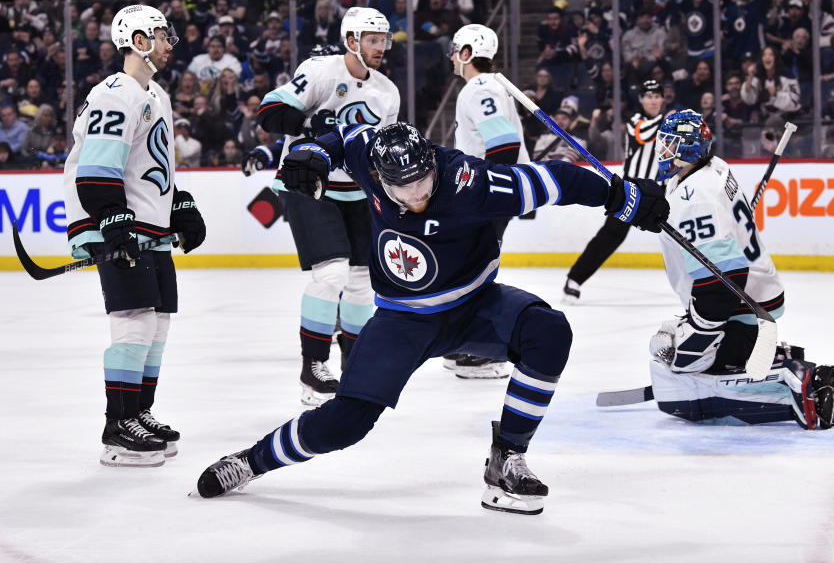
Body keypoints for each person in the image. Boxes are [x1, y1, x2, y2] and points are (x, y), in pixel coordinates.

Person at [194, 120, 669, 513]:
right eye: (402, 186)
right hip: (402, 321)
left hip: (474, 308)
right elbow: (343, 136)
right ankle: (250, 461)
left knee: (548, 331)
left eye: (423, 180)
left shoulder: (472, 183)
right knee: (346, 423)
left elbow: (559, 180)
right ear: (378, 177)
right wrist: (315, 152)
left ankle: (508, 459)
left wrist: (623, 198)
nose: (417, 194)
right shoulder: (371, 156)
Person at [62, 5, 207, 467]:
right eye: (164, 36)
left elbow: (152, 164)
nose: (170, 44)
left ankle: (139, 413)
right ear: (139, 40)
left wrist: (178, 204)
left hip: (148, 224)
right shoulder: (114, 92)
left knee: (158, 322)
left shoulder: (155, 94)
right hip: (118, 223)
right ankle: (117, 426)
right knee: (134, 321)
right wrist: (111, 218)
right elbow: (95, 170)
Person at [646, 109, 834, 429]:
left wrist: (699, 331)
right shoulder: (714, 167)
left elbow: (723, 280)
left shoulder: (695, 196)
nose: (662, 150)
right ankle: (761, 356)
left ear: (687, 149)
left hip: (742, 303)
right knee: (672, 347)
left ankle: (805, 386)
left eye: (669, 144)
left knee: (683, 372)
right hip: (759, 290)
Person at [246, 8, 400, 406]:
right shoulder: (320, 70)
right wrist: (310, 125)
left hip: (359, 191)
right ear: (351, 41)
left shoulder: (387, 92)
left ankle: (356, 363)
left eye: (384, 39)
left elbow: (380, 152)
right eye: (372, 39)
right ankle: (313, 366)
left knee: (363, 283)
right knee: (331, 274)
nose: (381, 47)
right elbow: (270, 111)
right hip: (307, 181)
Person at [446, 23, 529, 379]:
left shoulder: (478, 87)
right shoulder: (489, 86)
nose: (451, 55)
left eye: (455, 49)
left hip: (489, 193)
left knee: (475, 270)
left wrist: (488, 193)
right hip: (492, 191)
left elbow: (505, 145)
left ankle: (489, 350)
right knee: (468, 267)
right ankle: (471, 344)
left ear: (467, 54)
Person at [563, 79, 667, 301]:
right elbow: (643, 135)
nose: (653, 100)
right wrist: (667, 120)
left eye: (657, 96)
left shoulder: (667, 124)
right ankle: (574, 279)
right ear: (640, 99)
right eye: (649, 96)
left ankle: (702, 286)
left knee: (680, 235)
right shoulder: (635, 121)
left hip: (661, 191)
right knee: (611, 236)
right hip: (634, 192)